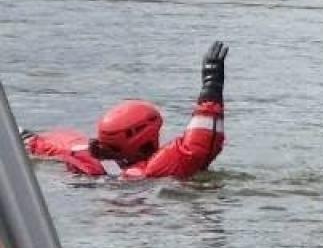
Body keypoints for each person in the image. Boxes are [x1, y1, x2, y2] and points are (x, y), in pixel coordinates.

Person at [19, 42, 229, 179]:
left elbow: (32, 140)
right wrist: (212, 85)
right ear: (144, 141)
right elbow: (196, 148)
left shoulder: (78, 151)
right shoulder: (146, 172)